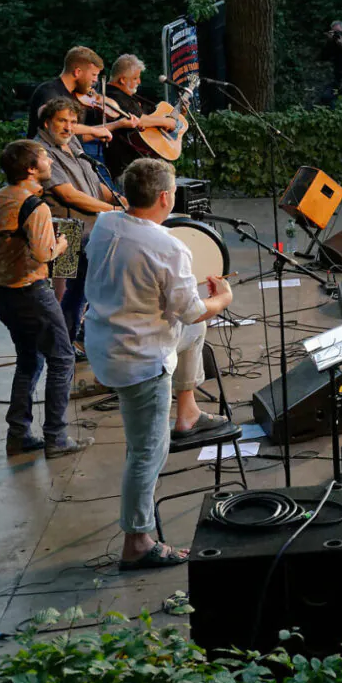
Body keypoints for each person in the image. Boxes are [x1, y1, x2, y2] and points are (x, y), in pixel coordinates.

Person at [83, 158, 234, 569]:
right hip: (140, 359)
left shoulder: (105, 223)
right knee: (147, 451)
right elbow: (192, 311)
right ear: (166, 197)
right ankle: (137, 541)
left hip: (107, 340)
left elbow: (183, 321)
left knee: (193, 338)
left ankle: (187, 412)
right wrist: (222, 299)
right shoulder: (169, 246)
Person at [0, 139, 84, 458]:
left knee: (29, 357)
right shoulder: (35, 205)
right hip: (31, 291)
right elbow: (43, 254)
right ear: (30, 168)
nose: (50, 161)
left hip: (2, 292)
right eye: (44, 157)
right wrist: (62, 246)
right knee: (63, 357)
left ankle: (18, 434)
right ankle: (56, 438)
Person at [36, 97, 123, 343]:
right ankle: (62, 346)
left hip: (91, 229)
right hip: (64, 230)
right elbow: (69, 195)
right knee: (65, 296)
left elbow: (93, 185)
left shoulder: (72, 141)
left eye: (72, 121)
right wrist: (113, 208)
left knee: (86, 292)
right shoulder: (41, 152)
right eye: (62, 121)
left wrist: (120, 199)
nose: (68, 126)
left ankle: (77, 338)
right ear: (46, 123)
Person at [101, 55, 180, 179]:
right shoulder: (113, 97)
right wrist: (166, 122)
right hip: (125, 170)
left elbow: (150, 119)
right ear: (122, 80)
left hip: (138, 165)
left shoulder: (128, 95)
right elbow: (140, 120)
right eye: (135, 78)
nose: (139, 82)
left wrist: (178, 114)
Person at [27, 46, 114, 142]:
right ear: (77, 72)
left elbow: (78, 137)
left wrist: (117, 125)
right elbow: (53, 121)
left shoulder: (78, 95)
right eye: (93, 75)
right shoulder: (49, 90)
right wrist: (93, 130)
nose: (95, 80)